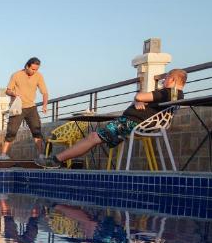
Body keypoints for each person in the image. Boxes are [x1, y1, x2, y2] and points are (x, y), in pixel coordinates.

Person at [36, 68, 187, 168]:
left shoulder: (169, 92)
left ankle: (55, 160)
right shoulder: (173, 94)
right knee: (93, 137)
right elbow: (144, 99)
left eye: (166, 78)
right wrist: (138, 101)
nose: (163, 81)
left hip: (131, 123)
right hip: (133, 123)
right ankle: (58, 160)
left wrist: (138, 98)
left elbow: (141, 95)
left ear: (172, 80)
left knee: (93, 137)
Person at [0, 57, 49, 160]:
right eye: (33, 69)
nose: (35, 71)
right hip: (18, 108)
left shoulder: (38, 76)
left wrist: (45, 105)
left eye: (37, 69)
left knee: (37, 131)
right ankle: (3, 154)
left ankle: (41, 155)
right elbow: (7, 91)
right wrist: (13, 93)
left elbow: (44, 92)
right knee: (11, 131)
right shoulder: (16, 75)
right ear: (27, 66)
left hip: (31, 107)